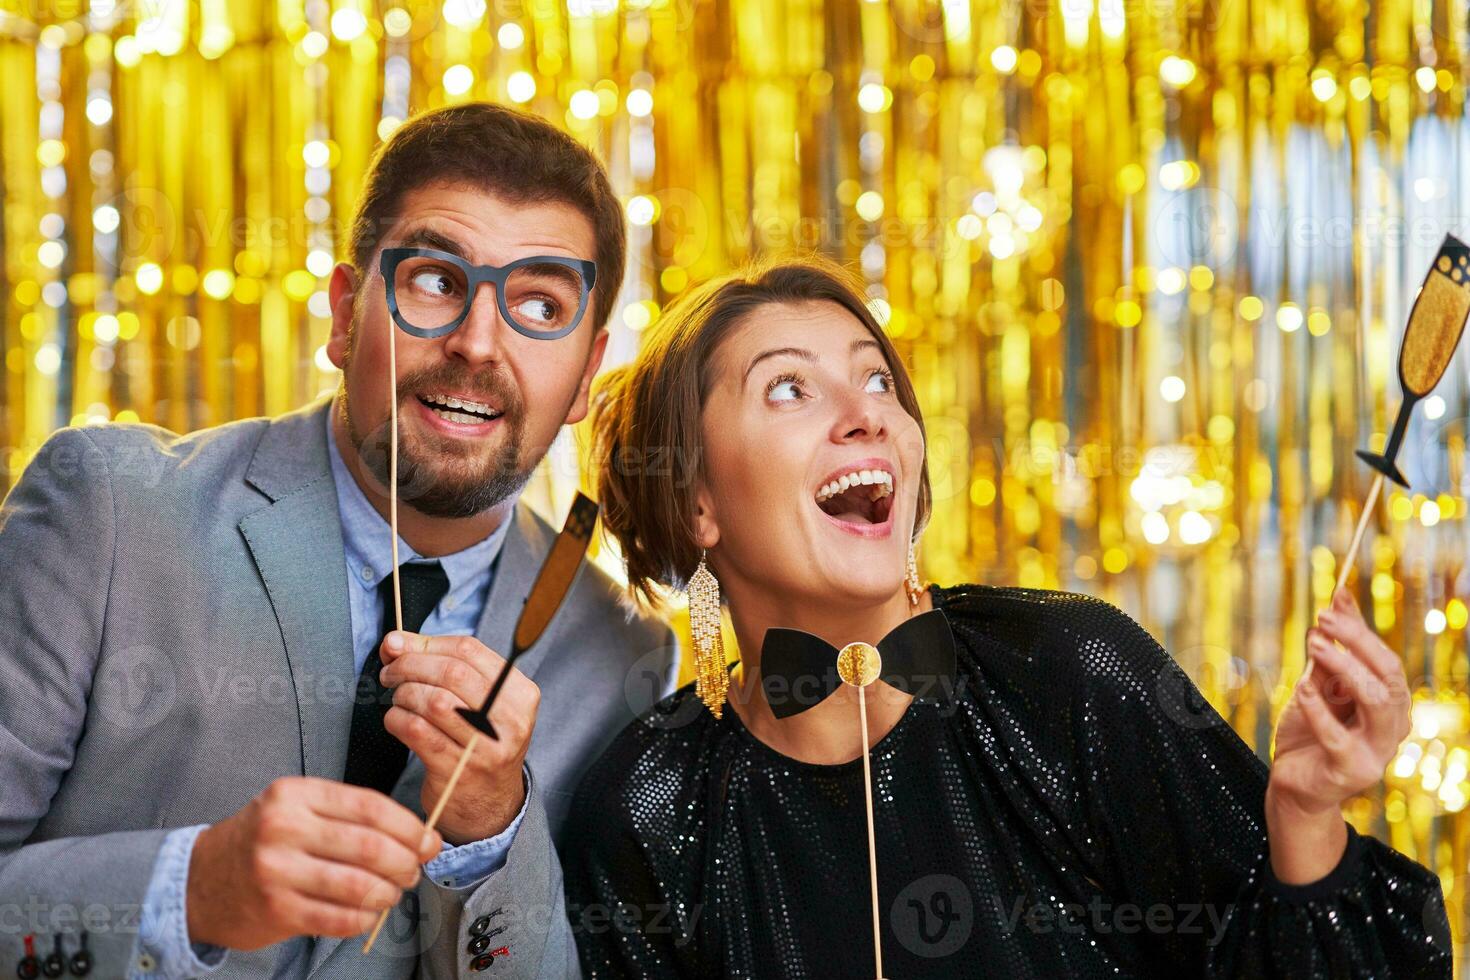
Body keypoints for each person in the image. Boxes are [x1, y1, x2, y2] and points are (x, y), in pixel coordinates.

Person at [562, 255, 1451, 977]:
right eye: (789, 390)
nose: (864, 413)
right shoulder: (644, 812)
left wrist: (1303, 817)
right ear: (697, 503)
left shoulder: (1072, 670)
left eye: (877, 380)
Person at [0, 102, 675, 980]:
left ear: (586, 375)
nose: (477, 343)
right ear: (346, 313)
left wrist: (492, 827)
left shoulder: (621, 653)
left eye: (539, 304)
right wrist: (190, 890)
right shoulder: (109, 513)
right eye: (435, 281)